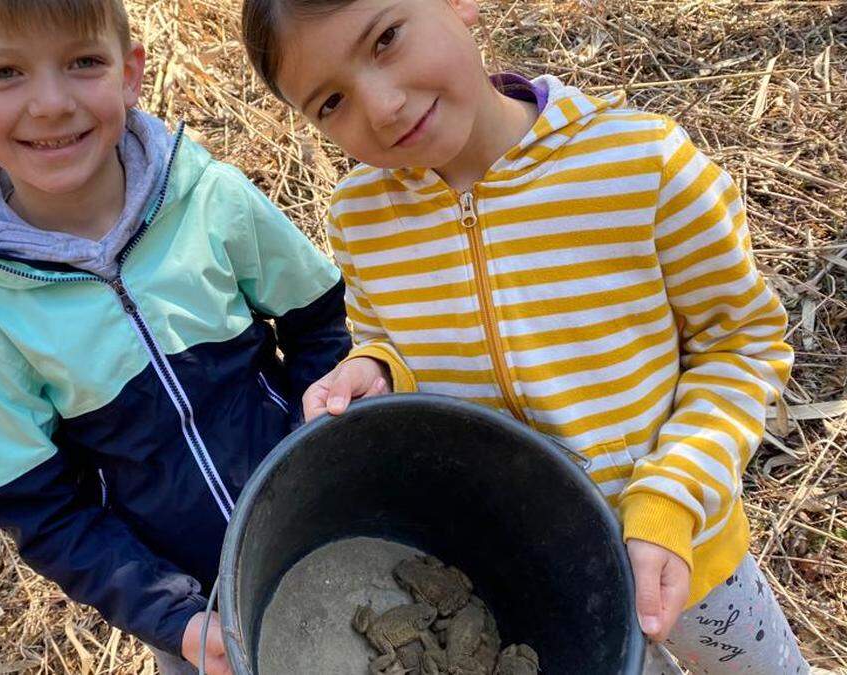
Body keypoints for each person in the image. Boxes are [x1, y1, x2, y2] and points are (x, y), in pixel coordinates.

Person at [240, 0, 808, 672]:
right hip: (524, 582)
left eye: (387, 38)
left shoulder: (637, 166)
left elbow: (741, 344)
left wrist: (672, 497)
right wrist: (379, 368)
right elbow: (383, 333)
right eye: (331, 102)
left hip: (686, 557)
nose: (383, 105)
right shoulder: (361, 219)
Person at [0, 1, 351, 672]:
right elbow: (44, 510)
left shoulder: (211, 198)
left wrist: (324, 453)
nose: (51, 103)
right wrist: (173, 616)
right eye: (6, 71)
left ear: (130, 72)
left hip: (336, 529)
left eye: (83, 62)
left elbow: (322, 320)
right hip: (202, 616)